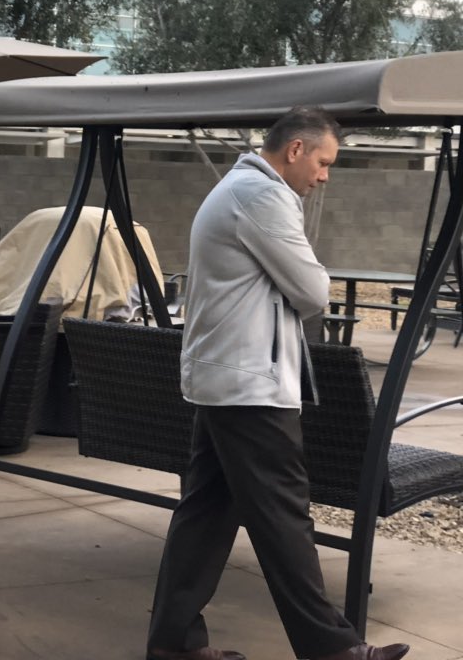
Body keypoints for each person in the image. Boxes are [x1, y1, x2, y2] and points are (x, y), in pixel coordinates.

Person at [145, 107, 410, 660]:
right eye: (322, 161)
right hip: (250, 387)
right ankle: (333, 651)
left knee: (204, 518)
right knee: (285, 519)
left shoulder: (240, 189)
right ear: (294, 150)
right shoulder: (261, 196)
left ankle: (173, 647)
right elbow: (314, 290)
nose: (324, 176)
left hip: (230, 379)